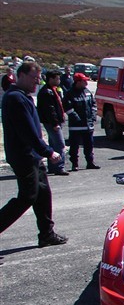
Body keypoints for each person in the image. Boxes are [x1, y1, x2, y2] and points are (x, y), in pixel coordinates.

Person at [0, 61, 67, 247]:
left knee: (43, 193)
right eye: (33, 78)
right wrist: (47, 151)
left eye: (39, 79)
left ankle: (46, 233)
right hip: (24, 155)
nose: (36, 83)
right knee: (27, 196)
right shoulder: (15, 98)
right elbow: (27, 132)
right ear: (21, 75)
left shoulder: (24, 97)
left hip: (33, 155)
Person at [63, 72, 99, 171]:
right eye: (84, 81)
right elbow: (68, 108)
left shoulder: (87, 92)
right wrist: (77, 119)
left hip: (88, 125)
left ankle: (90, 162)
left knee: (89, 145)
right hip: (76, 126)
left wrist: (93, 116)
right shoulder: (70, 93)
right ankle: (75, 164)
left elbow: (93, 104)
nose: (86, 83)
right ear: (78, 82)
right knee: (74, 147)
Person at [36, 70, 68, 175]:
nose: (59, 80)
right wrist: (55, 123)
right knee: (60, 144)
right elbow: (50, 110)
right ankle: (59, 167)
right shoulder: (46, 92)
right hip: (52, 122)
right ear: (50, 79)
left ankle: (53, 167)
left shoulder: (55, 90)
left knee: (53, 143)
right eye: (57, 78)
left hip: (56, 121)